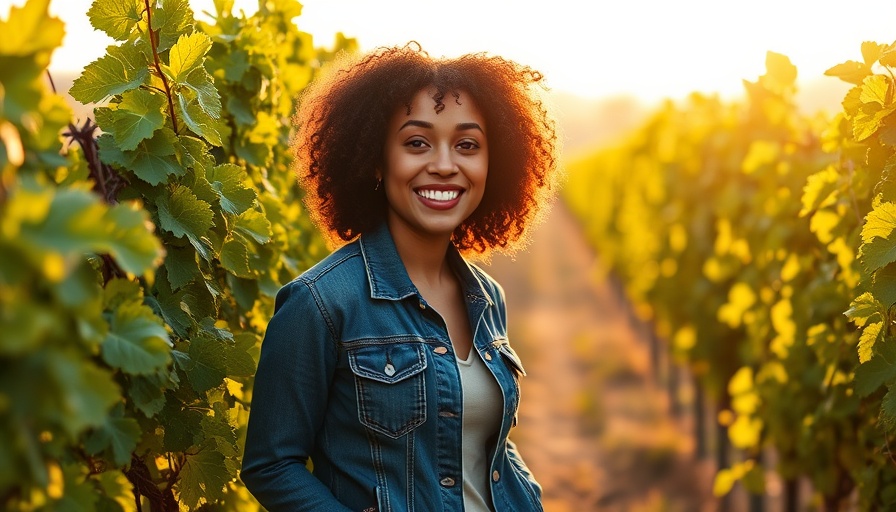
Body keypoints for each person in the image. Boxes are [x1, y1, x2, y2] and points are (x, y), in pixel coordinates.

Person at [241, 41, 560, 512]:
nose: (445, 165)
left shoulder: (486, 297)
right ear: (376, 158)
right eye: (417, 142)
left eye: (467, 145)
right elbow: (270, 465)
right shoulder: (321, 304)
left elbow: (486, 445)